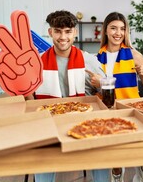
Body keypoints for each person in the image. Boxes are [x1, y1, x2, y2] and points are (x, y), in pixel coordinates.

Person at [31, 10, 110, 182]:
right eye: (58, 31)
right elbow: (31, 101)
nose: (63, 37)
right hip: (49, 123)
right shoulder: (37, 61)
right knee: (41, 155)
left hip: (84, 122)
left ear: (75, 32)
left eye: (68, 31)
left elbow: (107, 92)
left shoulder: (88, 60)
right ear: (50, 32)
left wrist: (101, 85)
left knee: (102, 154)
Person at [89, 11, 143, 182]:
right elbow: (96, 89)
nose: (118, 33)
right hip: (108, 111)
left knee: (141, 150)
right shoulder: (97, 58)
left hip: (132, 110)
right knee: (115, 152)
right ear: (105, 30)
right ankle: (117, 176)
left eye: (122, 29)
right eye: (113, 28)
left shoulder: (134, 55)